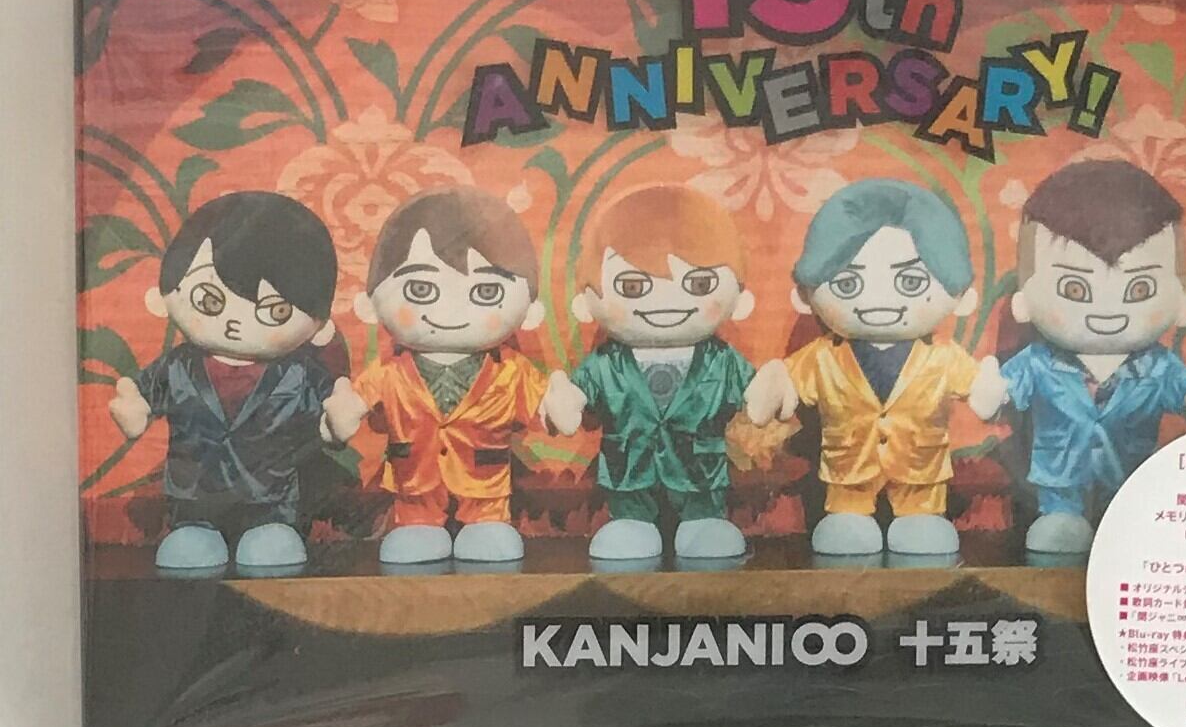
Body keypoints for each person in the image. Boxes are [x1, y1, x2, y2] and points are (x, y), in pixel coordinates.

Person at [745, 178, 1008, 558]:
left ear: (961, 296)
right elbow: (790, 380)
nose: (880, 299)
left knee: (923, 531)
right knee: (847, 531)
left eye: (911, 281)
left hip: (921, 472)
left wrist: (987, 390)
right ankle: (849, 520)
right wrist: (774, 384)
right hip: (847, 472)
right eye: (848, 283)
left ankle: (919, 518)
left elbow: (975, 388)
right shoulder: (822, 356)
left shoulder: (943, 356)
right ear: (804, 295)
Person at [107, 191, 361, 570]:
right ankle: (196, 532)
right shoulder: (178, 365)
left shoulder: (299, 372)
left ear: (319, 322)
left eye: (275, 311)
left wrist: (335, 422)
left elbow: (328, 423)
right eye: (210, 300)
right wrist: (135, 407)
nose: (235, 322)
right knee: (189, 552)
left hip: (269, 501)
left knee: (269, 549)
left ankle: (269, 532)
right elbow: (146, 395)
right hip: (194, 498)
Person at [997, 160, 1186, 557]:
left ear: (1181, 302)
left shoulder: (1160, 366)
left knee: (1126, 531)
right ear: (1024, 301)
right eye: (1074, 288)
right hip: (1060, 481)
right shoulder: (1037, 360)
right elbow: (1003, 393)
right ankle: (1063, 521)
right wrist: (991, 391)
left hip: (1130, 479)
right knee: (1059, 533)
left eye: (1139, 289)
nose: (1107, 310)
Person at [540, 184, 759, 561]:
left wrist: (770, 387)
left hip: (700, 475)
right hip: (629, 475)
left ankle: (703, 521)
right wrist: (563, 396)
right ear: (587, 299)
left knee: (707, 532)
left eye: (699, 284)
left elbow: (755, 392)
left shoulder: (721, 359)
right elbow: (578, 395)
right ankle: (632, 522)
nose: (667, 299)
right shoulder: (606, 362)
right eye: (632, 286)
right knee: (629, 532)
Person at [344, 187, 548, 565]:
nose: (452, 309)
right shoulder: (390, 370)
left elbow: (545, 405)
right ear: (370, 304)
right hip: (414, 481)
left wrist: (560, 401)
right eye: (421, 289)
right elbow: (357, 402)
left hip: (485, 481)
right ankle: (418, 524)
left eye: (486, 291)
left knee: (489, 533)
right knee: (415, 525)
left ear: (531, 309)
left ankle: (486, 523)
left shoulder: (511, 369)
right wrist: (340, 414)